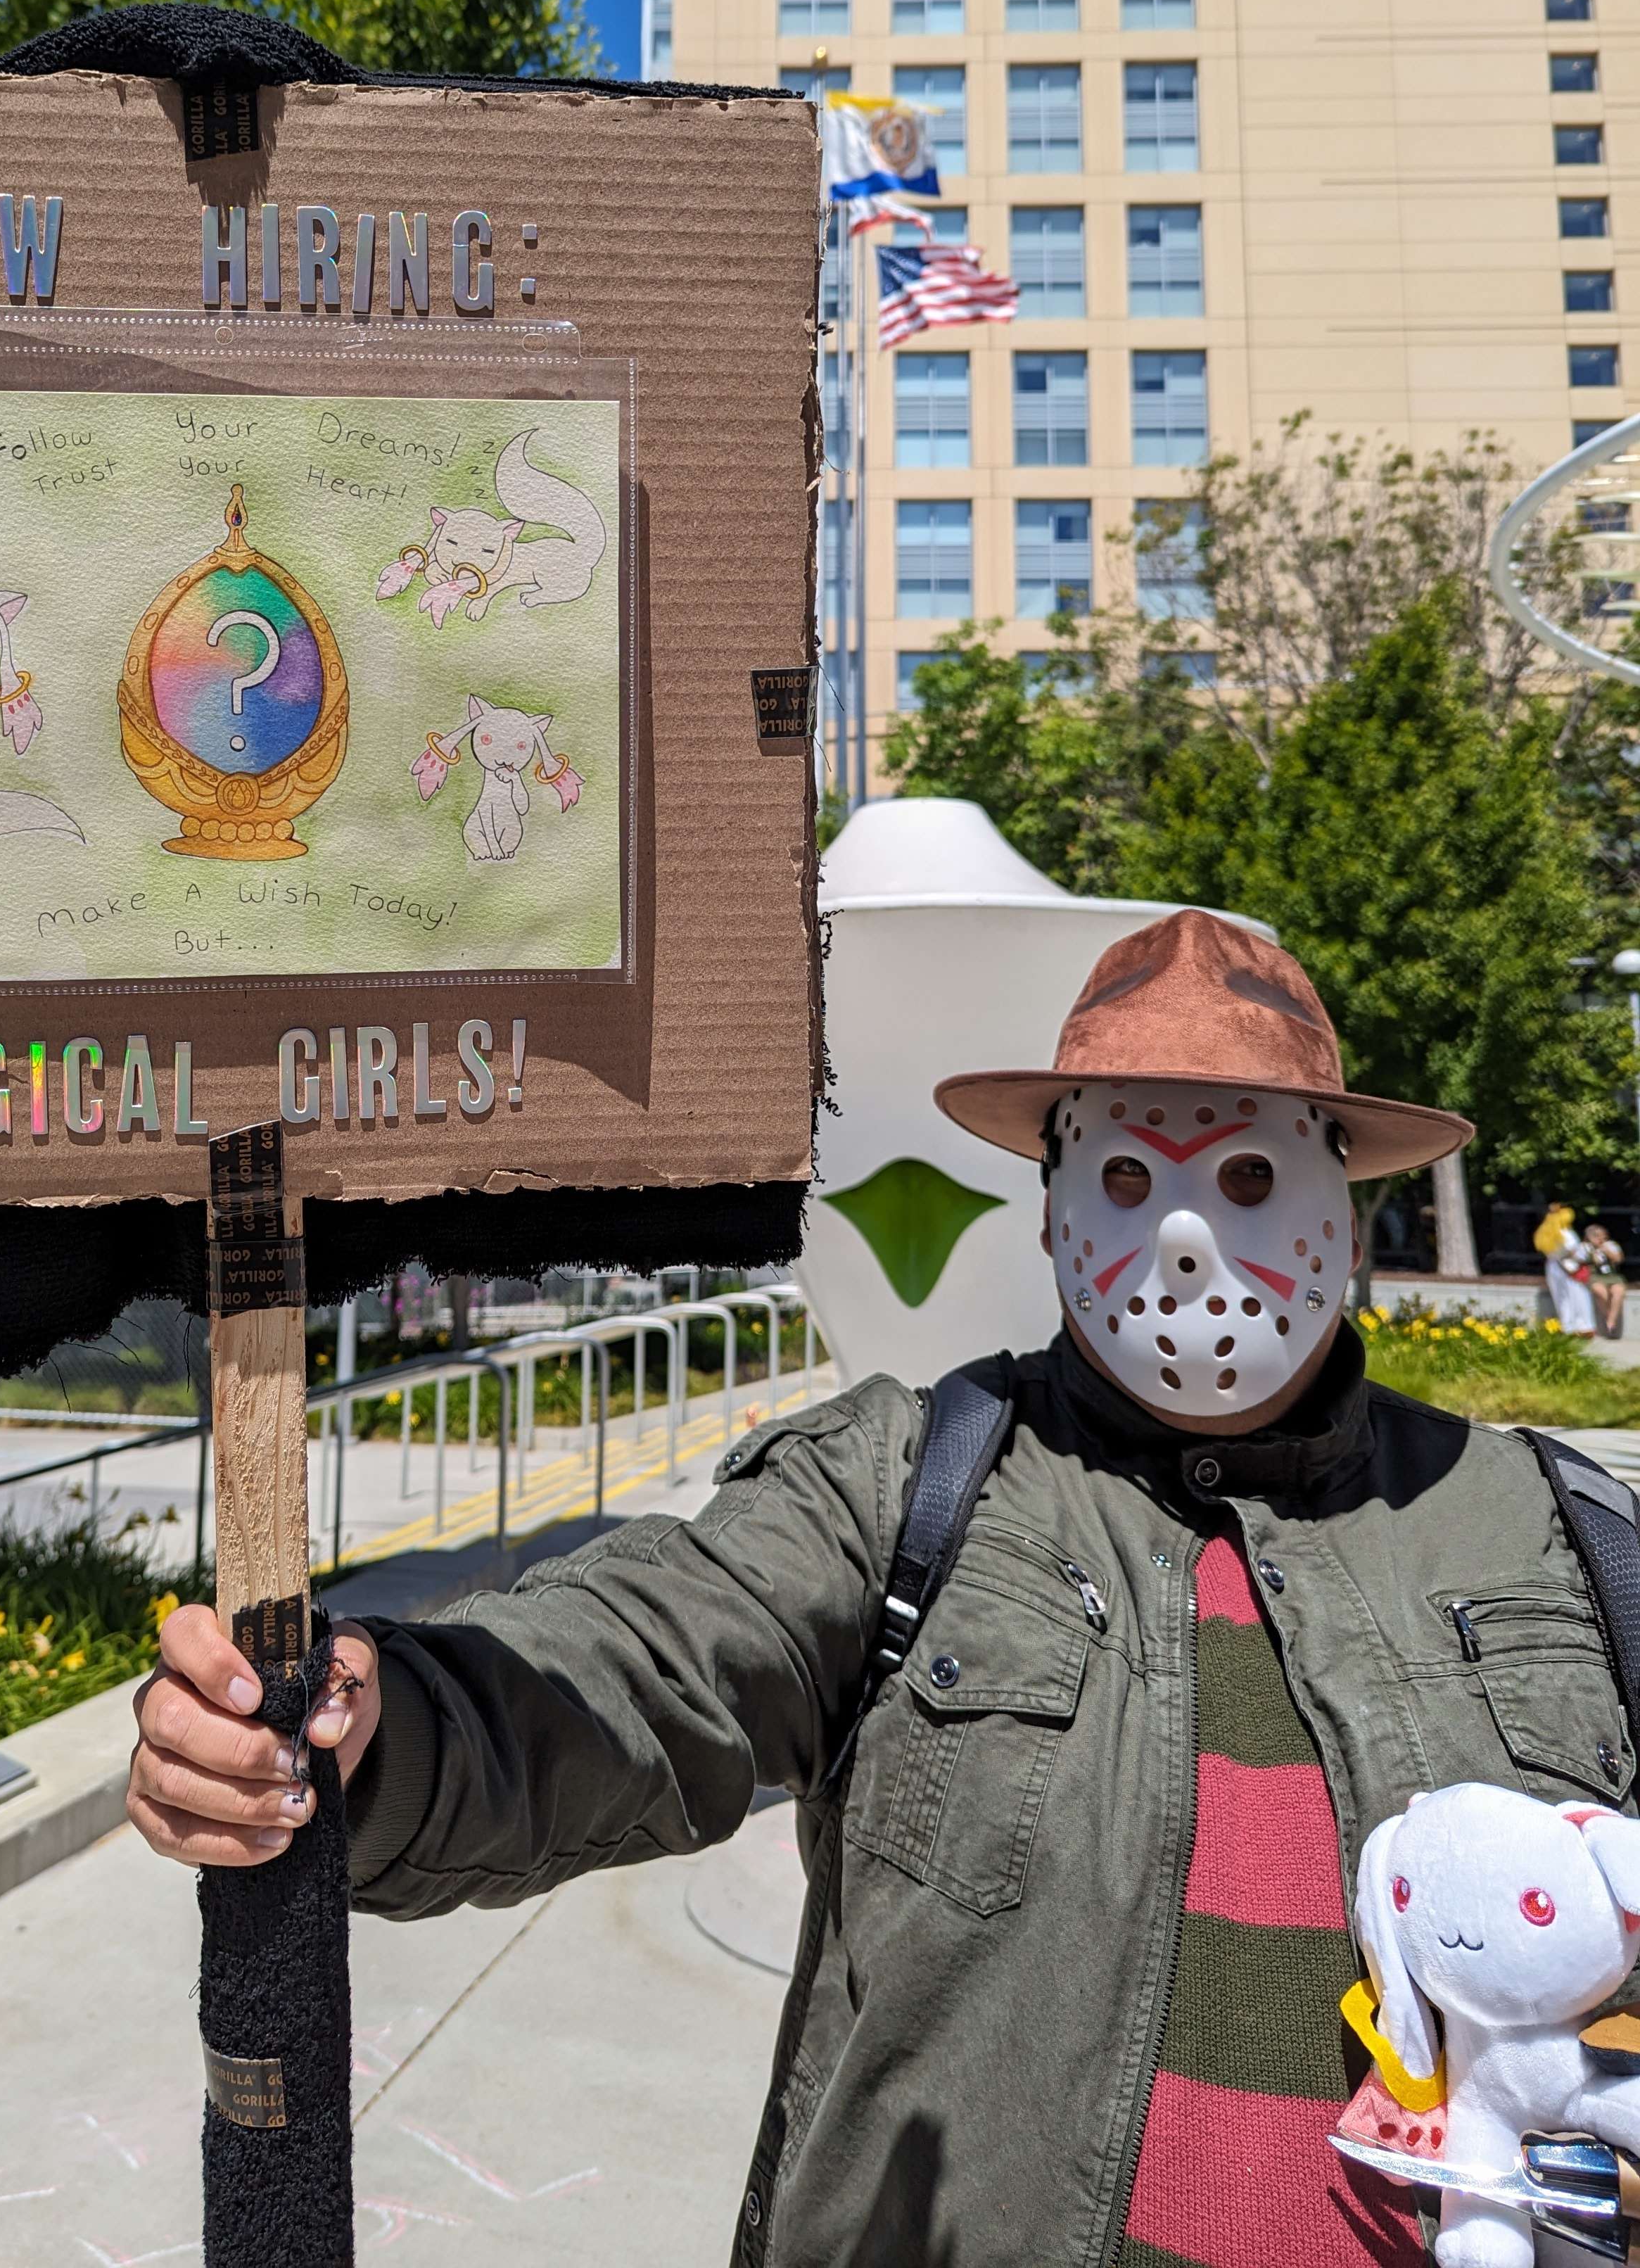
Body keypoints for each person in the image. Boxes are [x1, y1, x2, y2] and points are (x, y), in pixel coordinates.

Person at [129, 911, 1640, 2267]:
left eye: (1249, 1172)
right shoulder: (910, 1489)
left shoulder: (1552, 1536)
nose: (1187, 1236)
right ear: (1052, 1213)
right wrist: (379, 1724)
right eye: (1126, 1174)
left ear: (1345, 1204)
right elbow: (648, 1657)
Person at [1537, 1200, 1598, 1335]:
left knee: (1561, 1298)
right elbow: (1573, 1251)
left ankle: (1567, 1326)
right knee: (1579, 1296)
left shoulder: (1544, 1233)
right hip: (1569, 1266)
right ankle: (1583, 1327)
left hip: (1553, 1266)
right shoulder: (1567, 1233)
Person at [1584, 1219, 1627, 1339]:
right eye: (1596, 1236)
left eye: (1602, 1235)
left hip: (1612, 1276)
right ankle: (1610, 1319)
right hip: (1596, 1276)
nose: (1600, 1238)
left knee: (1618, 1292)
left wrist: (1605, 1250)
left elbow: (1618, 1259)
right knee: (1601, 1293)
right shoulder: (1586, 1248)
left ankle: (1610, 1322)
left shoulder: (1611, 1245)